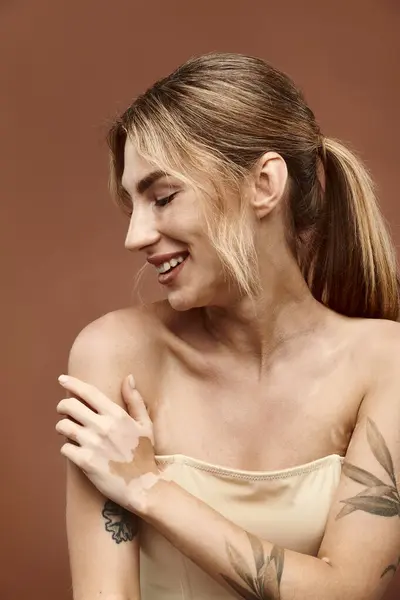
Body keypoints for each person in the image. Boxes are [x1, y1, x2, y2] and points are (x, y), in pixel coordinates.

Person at [55, 52, 400, 600]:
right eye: (132, 207)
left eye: (163, 197)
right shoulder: (115, 356)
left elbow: (351, 590)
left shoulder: (386, 365)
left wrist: (149, 487)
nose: (136, 236)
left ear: (263, 184)